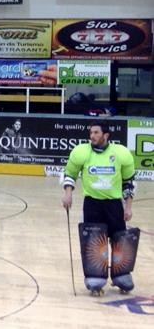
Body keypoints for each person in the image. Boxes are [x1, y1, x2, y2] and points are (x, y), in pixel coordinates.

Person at [62, 122, 137, 296]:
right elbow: (70, 174)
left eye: (96, 132)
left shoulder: (121, 154)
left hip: (113, 204)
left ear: (106, 135)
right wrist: (68, 194)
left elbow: (129, 183)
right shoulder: (81, 152)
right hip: (92, 203)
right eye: (91, 132)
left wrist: (128, 207)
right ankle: (95, 277)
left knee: (119, 240)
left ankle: (122, 275)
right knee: (94, 241)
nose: (92, 136)